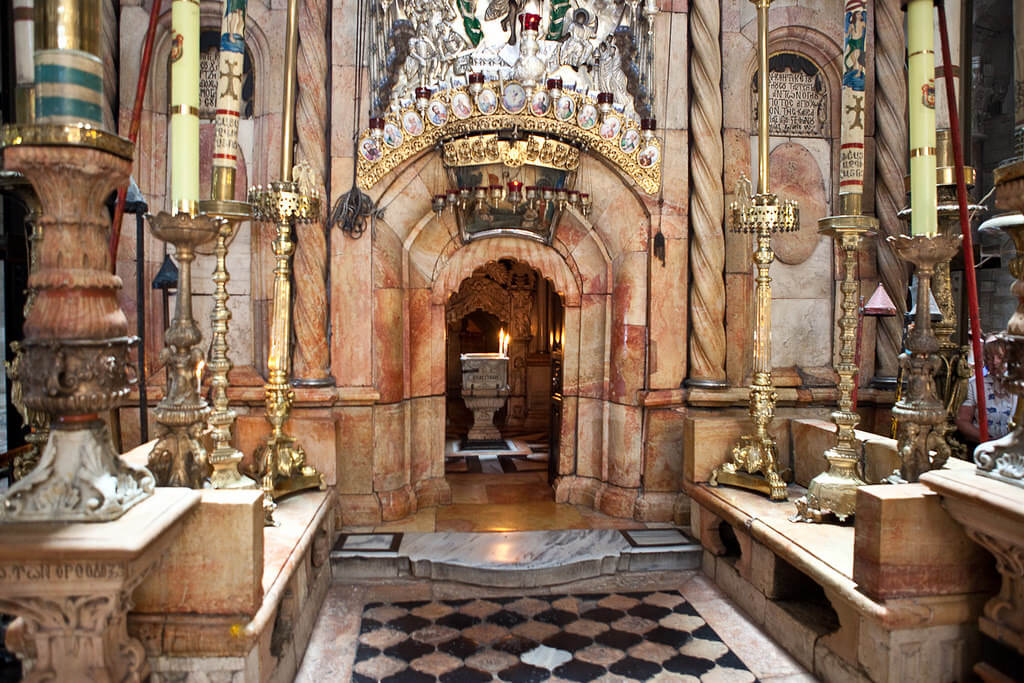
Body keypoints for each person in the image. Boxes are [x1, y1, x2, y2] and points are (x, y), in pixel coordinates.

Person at [956, 335, 1017, 445]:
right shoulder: (974, 385)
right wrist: (987, 440)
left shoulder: (1018, 386)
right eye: (989, 358)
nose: (994, 362)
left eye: (1000, 357)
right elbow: (962, 421)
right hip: (982, 445)